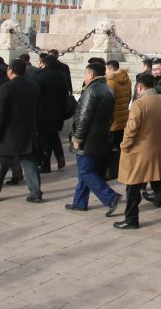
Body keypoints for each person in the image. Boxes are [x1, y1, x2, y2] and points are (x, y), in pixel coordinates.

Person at [113, 71, 161, 227]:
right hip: (156, 147)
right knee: (156, 180)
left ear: (139, 87)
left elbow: (131, 129)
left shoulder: (139, 104)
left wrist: (124, 145)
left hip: (138, 149)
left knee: (133, 186)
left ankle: (131, 219)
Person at [0, 59, 43, 203]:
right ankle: (36, 193)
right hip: (28, 131)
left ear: (11, 70)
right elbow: (38, 109)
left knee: (1, 165)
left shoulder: (6, 87)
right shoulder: (33, 86)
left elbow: (0, 112)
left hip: (8, 133)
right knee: (29, 163)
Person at [66, 60, 122, 214]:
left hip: (89, 139)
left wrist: (78, 138)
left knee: (86, 171)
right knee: (85, 171)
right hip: (101, 136)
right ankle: (79, 202)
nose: (84, 76)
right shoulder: (107, 89)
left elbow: (84, 118)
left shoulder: (91, 91)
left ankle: (110, 197)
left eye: (86, 73)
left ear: (91, 74)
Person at [34, 53, 70, 173]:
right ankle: (60, 157)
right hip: (59, 112)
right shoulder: (62, 76)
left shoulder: (41, 77)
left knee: (44, 139)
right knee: (53, 135)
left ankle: (46, 164)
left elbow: (37, 95)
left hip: (44, 113)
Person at [104, 60, 131, 181]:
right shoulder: (127, 80)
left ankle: (111, 172)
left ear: (111, 69)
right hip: (123, 118)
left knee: (110, 148)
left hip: (113, 121)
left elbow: (109, 103)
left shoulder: (110, 83)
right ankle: (121, 169)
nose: (105, 72)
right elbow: (128, 97)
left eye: (106, 69)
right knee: (120, 147)